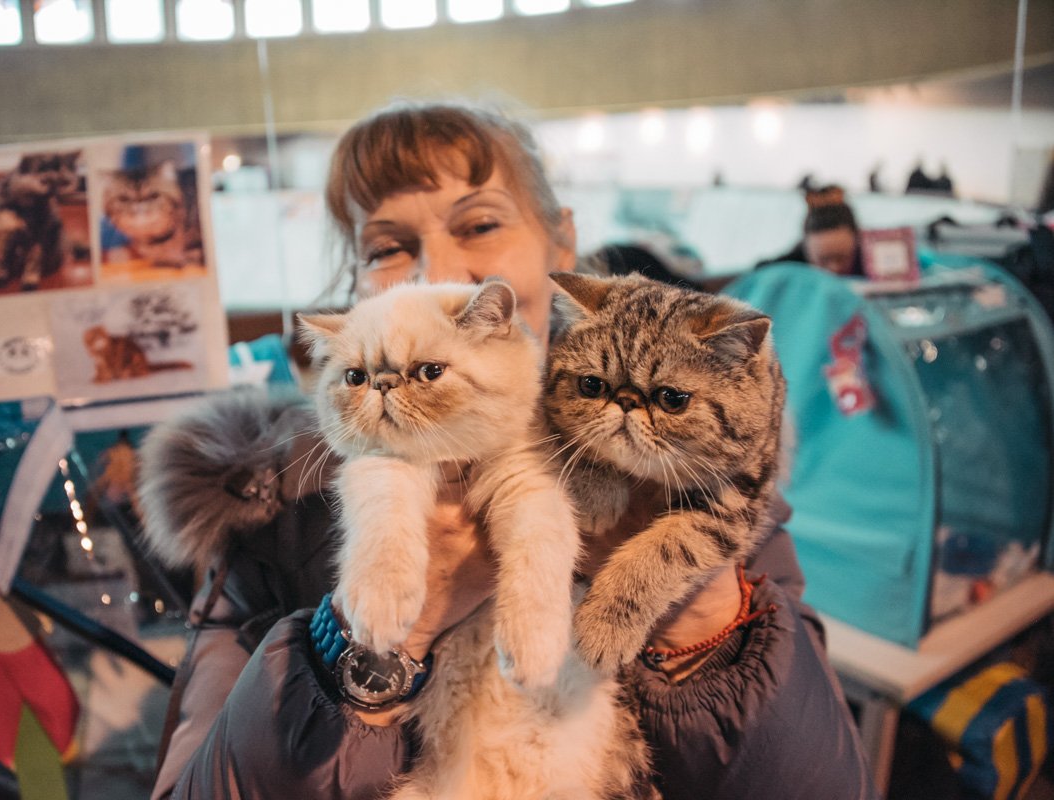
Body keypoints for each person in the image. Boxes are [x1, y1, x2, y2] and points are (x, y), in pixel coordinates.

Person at [146, 101, 877, 799]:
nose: (442, 271)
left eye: (481, 224)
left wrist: (698, 612)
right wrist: (372, 643)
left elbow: (825, 786)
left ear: (561, 243)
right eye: (388, 247)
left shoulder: (698, 472)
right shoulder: (272, 504)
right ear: (357, 283)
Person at [759, 185, 864, 276]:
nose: (834, 268)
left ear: (857, 240)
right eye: (823, 261)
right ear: (806, 248)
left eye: (842, 258)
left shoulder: (872, 258)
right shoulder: (790, 264)